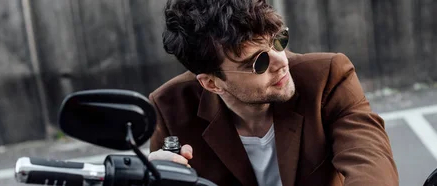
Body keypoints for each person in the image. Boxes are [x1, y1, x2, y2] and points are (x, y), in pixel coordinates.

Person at [147, 0, 399, 185]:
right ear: (212, 84)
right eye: (259, 63)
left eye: (279, 40)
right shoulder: (170, 108)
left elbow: (371, 163)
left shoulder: (328, 77)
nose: (281, 61)